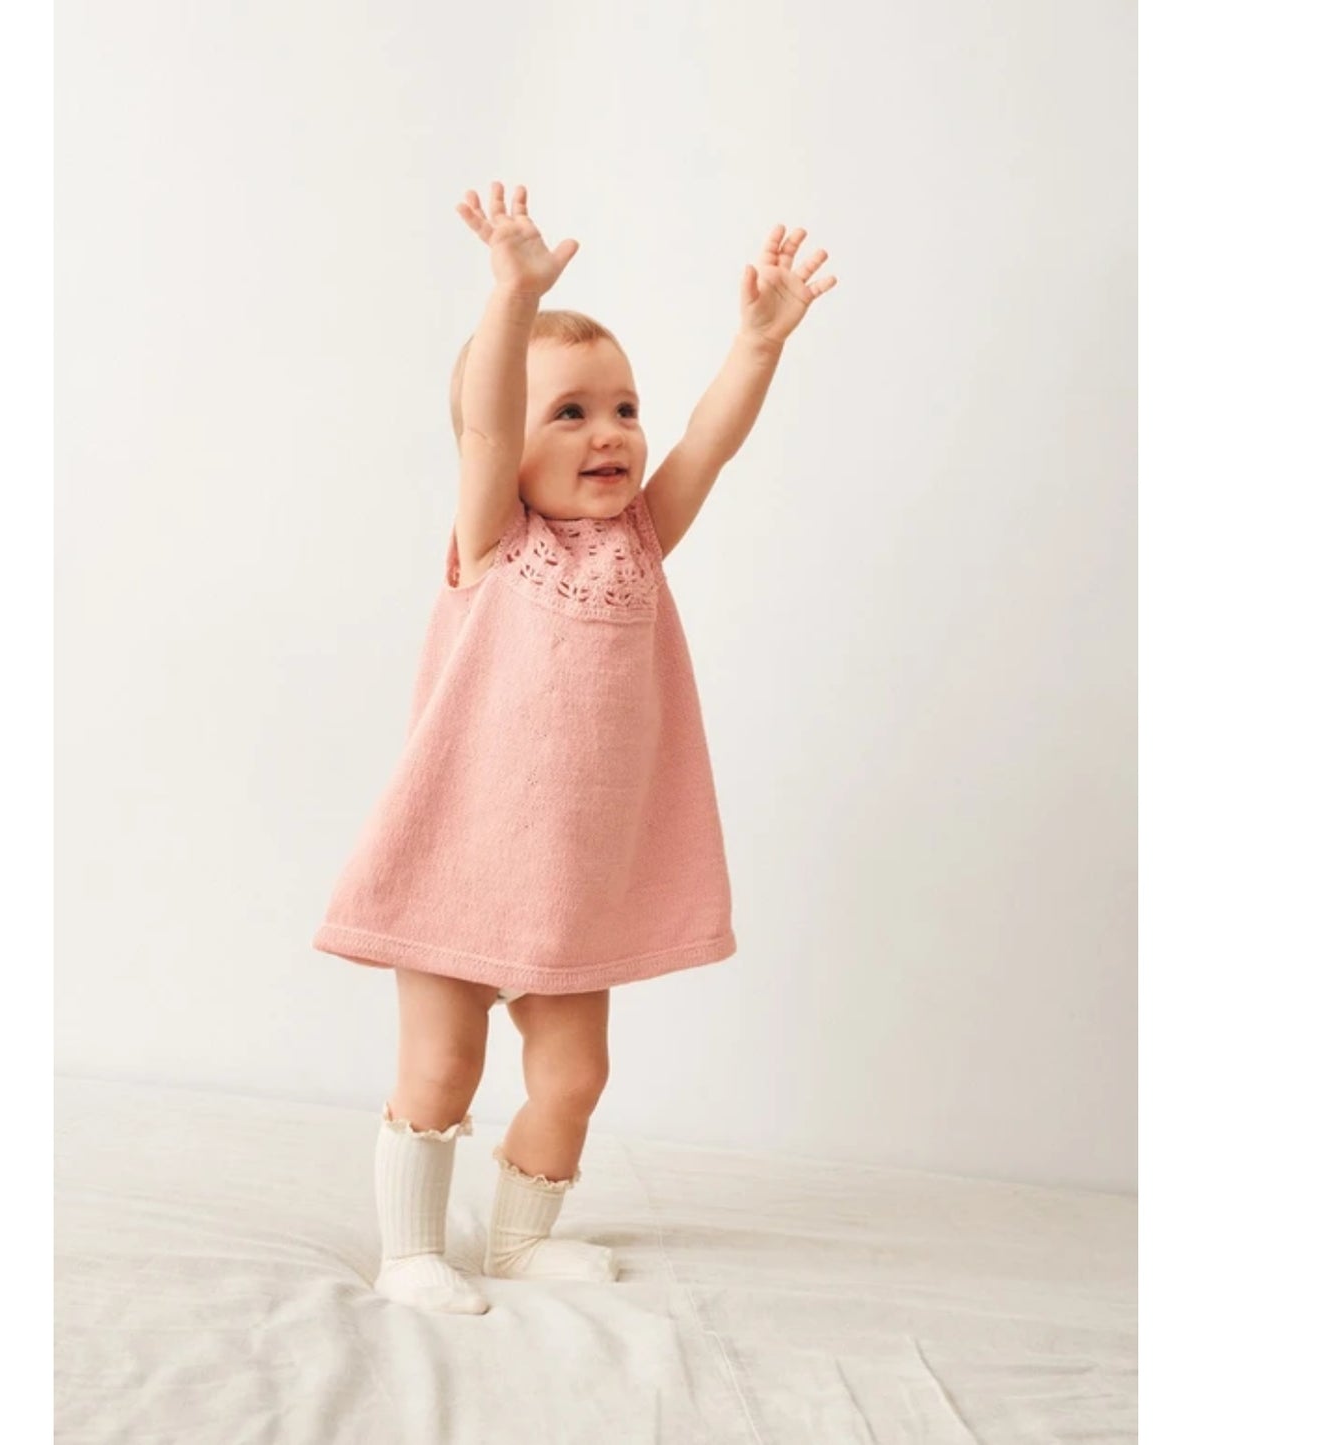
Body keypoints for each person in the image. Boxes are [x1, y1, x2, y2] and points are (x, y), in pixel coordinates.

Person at [313, 181, 836, 1313]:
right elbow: (484, 423)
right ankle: (410, 1252)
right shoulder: (492, 538)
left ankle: (517, 1239)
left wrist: (756, 344)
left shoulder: (639, 537)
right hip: (459, 858)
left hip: (572, 883)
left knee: (574, 1074)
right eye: (570, 413)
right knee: (443, 1067)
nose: (609, 432)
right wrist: (511, 296)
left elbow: (707, 447)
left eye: (622, 407)